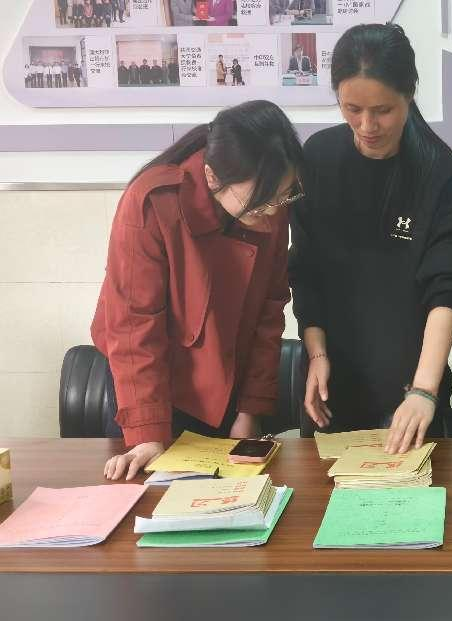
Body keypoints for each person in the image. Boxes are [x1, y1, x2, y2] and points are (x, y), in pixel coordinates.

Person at [95, 100, 305, 481]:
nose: (274, 211)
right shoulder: (154, 201)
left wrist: (250, 408)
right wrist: (146, 433)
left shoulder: (269, 203)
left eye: (284, 195)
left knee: (229, 503)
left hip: (228, 384)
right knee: (152, 500)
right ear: (212, 176)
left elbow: (269, 310)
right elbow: (133, 326)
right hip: (150, 389)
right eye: (262, 201)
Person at [289, 23, 452, 454]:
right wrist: (316, 355)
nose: (367, 125)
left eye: (383, 110)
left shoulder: (438, 170)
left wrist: (424, 390)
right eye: (352, 108)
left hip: (412, 388)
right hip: (330, 380)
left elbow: (446, 288)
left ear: (409, 94)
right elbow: (306, 270)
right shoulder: (318, 158)